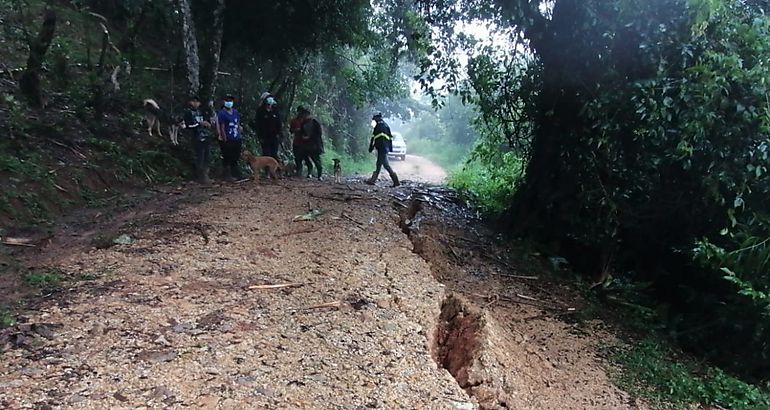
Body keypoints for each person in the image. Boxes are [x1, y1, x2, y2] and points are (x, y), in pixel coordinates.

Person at [181, 95, 212, 184]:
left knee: (207, 157)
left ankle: (206, 176)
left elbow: (207, 123)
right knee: (199, 157)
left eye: (197, 101)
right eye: (193, 101)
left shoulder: (201, 112)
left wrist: (208, 125)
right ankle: (200, 177)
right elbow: (187, 126)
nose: (195, 103)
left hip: (205, 137)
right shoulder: (188, 113)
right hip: (196, 137)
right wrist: (199, 124)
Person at [366, 113, 399, 187]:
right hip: (384, 148)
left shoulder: (380, 126)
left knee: (384, 165)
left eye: (375, 119)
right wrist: (389, 148)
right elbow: (388, 138)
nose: (374, 120)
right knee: (381, 164)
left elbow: (376, 139)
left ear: (378, 118)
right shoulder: (385, 125)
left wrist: (371, 147)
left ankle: (373, 180)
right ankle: (373, 180)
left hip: (382, 148)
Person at [217, 95, 243, 181]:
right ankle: (226, 175)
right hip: (227, 138)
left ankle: (236, 173)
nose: (229, 102)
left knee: (235, 156)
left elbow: (238, 124)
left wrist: (239, 133)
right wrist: (224, 138)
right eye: (227, 100)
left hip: (236, 137)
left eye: (231, 100)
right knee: (227, 156)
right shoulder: (221, 114)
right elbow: (222, 127)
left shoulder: (236, 112)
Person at [253, 92, 282, 160]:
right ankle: (267, 169)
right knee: (267, 154)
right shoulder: (260, 111)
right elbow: (258, 124)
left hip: (274, 136)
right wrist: (260, 136)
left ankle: (274, 169)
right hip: (264, 137)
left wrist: (279, 133)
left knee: (274, 154)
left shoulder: (275, 110)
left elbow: (279, 123)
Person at [299, 107, 324, 179]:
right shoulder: (303, 123)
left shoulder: (315, 122)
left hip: (315, 144)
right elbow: (301, 132)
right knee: (305, 157)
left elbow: (318, 133)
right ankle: (309, 171)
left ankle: (320, 175)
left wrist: (310, 137)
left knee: (316, 159)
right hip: (306, 144)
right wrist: (303, 136)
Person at [289, 106, 312, 177]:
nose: (301, 113)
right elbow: (291, 130)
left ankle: (309, 172)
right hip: (297, 142)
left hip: (305, 143)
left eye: (302, 112)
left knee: (306, 157)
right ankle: (299, 172)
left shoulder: (307, 121)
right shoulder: (294, 121)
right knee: (297, 158)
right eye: (300, 112)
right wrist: (296, 130)